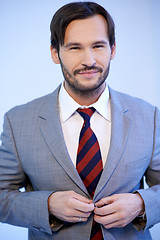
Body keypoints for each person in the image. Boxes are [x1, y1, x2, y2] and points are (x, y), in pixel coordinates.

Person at [0, 2, 160, 240]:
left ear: (113, 49)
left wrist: (141, 204)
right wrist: (47, 205)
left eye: (98, 46)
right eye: (75, 48)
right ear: (55, 53)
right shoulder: (18, 121)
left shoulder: (150, 116)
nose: (89, 60)